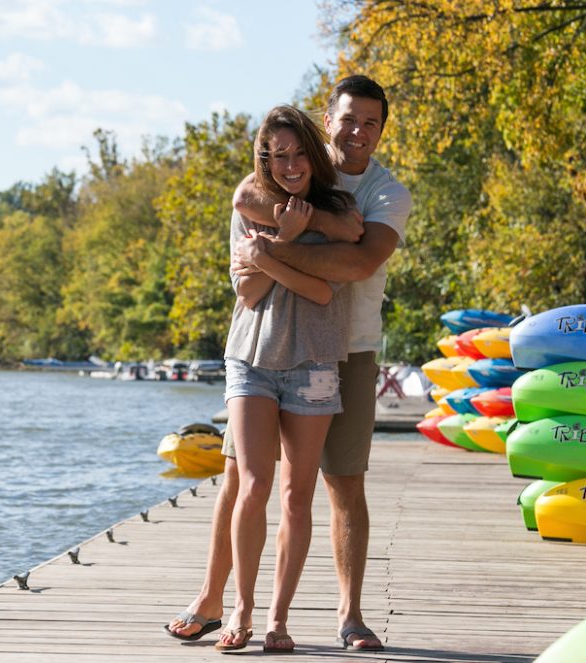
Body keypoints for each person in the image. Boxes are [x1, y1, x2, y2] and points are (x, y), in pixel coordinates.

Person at [165, 74, 411, 652]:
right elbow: (246, 200)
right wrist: (297, 235)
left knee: (340, 483)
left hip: (343, 348)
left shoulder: (380, 193)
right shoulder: (290, 165)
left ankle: (347, 616)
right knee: (240, 482)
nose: (357, 131)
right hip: (261, 348)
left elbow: (354, 263)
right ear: (328, 120)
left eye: (370, 122)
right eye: (348, 118)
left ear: (381, 130)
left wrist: (274, 246)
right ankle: (214, 600)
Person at [211, 104, 356, 653]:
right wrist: (285, 254)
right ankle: (240, 612)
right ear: (264, 160)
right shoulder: (249, 205)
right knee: (253, 486)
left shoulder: (336, 208)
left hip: (315, 363)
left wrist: (272, 250)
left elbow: (324, 293)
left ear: (312, 155)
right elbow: (246, 294)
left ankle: (276, 620)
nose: (290, 165)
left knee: (298, 496)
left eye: (298, 153)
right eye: (278, 156)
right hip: (251, 360)